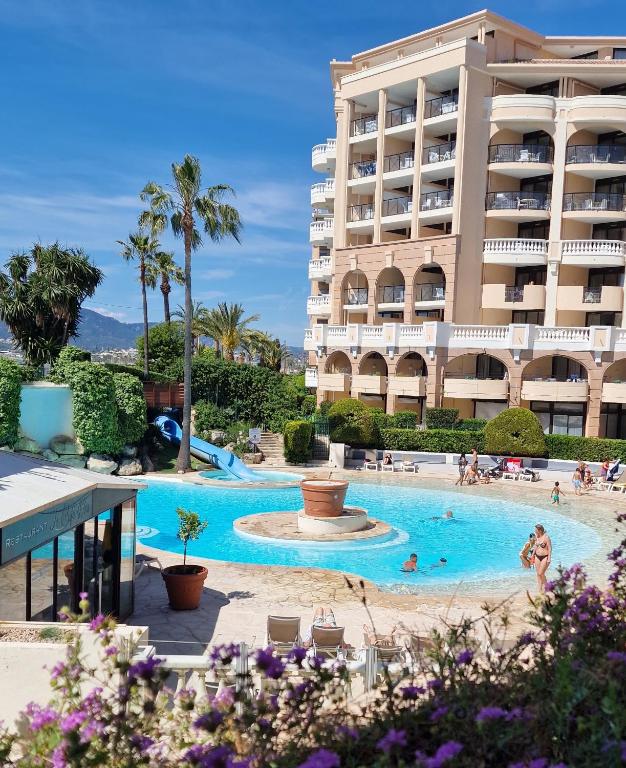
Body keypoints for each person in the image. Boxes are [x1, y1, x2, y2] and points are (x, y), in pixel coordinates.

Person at [533, 524, 552, 592]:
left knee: (541, 573)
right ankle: (540, 589)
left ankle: (547, 585)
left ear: (540, 530)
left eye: (536, 530)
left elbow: (549, 548)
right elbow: (535, 546)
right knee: (538, 574)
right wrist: (532, 555)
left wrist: (549, 558)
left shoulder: (546, 537)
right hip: (537, 557)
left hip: (545, 557)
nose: (534, 531)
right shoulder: (537, 537)